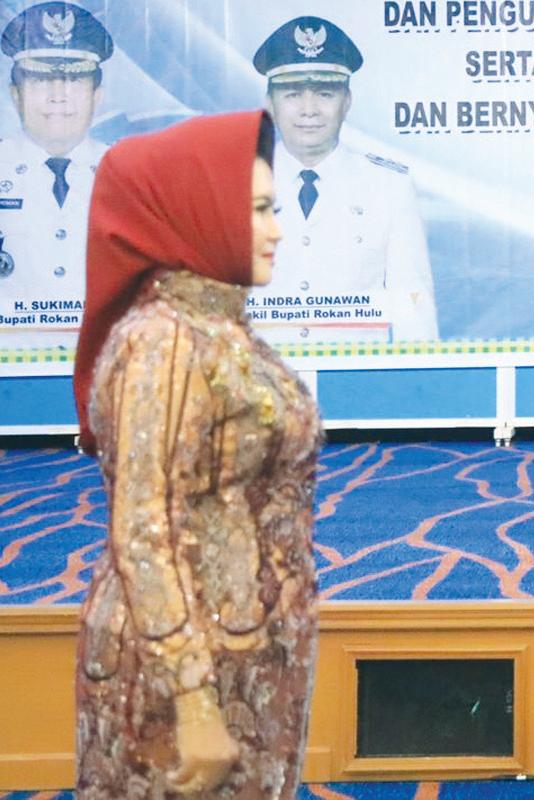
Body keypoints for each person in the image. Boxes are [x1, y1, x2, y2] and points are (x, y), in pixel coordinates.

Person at [72, 110, 321, 798]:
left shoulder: (216, 327)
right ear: (198, 212)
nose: (276, 230)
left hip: (241, 649)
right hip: (184, 673)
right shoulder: (164, 342)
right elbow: (143, 527)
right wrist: (194, 699)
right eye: (259, 211)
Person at [248, 15, 438, 344]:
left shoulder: (388, 187)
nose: (309, 110)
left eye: (325, 94)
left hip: (356, 372)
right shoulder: (236, 183)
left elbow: (412, 307)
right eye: (292, 94)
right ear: (270, 104)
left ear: (347, 102)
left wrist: (419, 373)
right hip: (262, 372)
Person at [0, 1, 112, 349]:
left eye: (74, 79)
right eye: (40, 80)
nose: (58, 97)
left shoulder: (129, 176)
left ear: (97, 96)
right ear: (15, 95)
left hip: (103, 364)